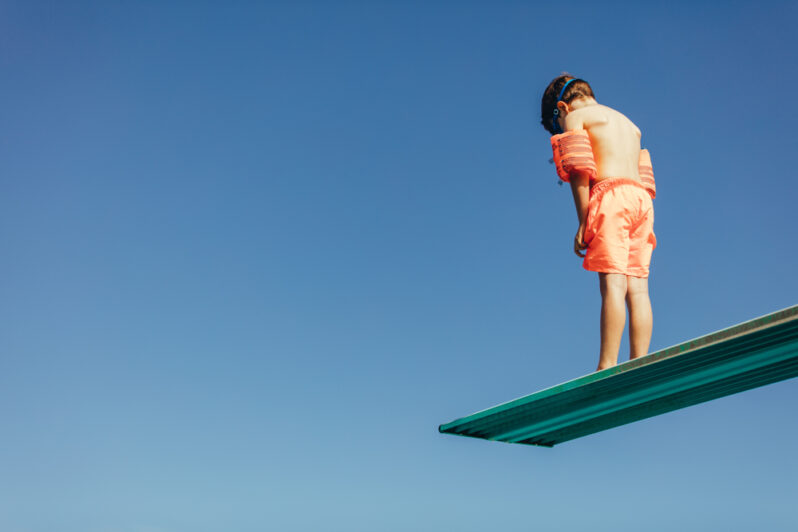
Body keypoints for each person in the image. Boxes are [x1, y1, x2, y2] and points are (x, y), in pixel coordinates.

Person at [541, 75, 657, 371]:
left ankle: (607, 364)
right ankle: (640, 360)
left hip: (611, 197)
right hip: (642, 201)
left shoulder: (577, 117)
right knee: (639, 289)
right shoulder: (630, 125)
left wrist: (584, 220)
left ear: (562, 108)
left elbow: (579, 168)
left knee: (613, 286)